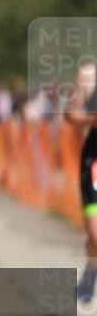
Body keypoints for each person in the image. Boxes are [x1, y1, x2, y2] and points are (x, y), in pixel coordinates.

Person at [66, 63, 97, 303]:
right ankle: (92, 268)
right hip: (95, 161)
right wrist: (91, 119)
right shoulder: (89, 74)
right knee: (95, 235)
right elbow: (70, 114)